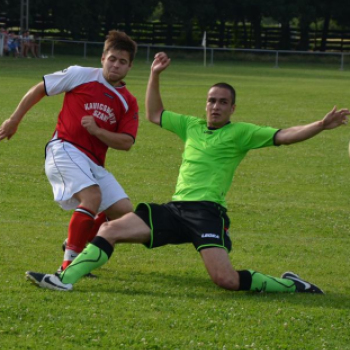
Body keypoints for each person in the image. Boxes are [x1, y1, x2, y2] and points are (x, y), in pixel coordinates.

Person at [25, 52, 349, 293]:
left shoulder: (242, 133)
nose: (215, 106)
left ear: (232, 108)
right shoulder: (191, 126)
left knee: (226, 280)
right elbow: (155, 114)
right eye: (211, 100)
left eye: (223, 102)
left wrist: (320, 125)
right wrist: (154, 74)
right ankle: (63, 280)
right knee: (110, 230)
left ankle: (292, 285)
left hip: (207, 213)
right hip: (175, 209)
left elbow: (285, 135)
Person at [0, 30, 139, 275]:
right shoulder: (80, 74)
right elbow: (40, 88)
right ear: (102, 58)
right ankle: (69, 265)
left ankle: (78, 241)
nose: (116, 64)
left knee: (125, 213)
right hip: (64, 148)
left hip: (94, 163)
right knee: (92, 197)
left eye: (122, 61)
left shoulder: (128, 101)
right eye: (112, 58)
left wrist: (97, 131)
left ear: (130, 66)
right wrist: (14, 119)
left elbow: (126, 142)